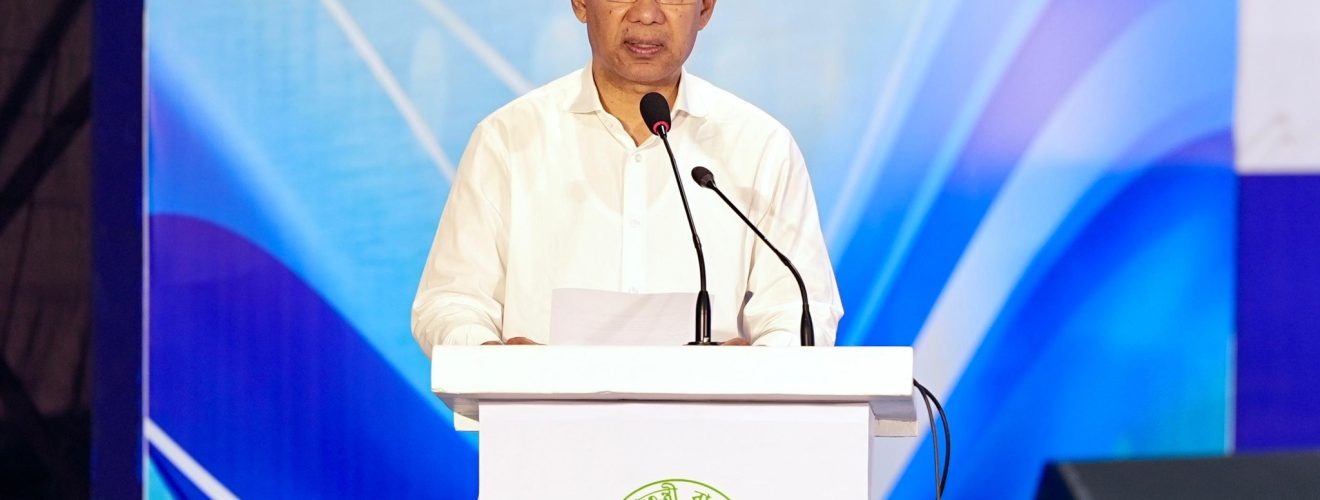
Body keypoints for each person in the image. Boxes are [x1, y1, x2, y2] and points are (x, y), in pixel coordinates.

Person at [411, 0, 842, 351]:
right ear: (581, 3)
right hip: (541, 426)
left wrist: (755, 373)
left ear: (706, 8)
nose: (647, 13)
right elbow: (450, 301)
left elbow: (801, 309)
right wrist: (493, 359)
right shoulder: (508, 140)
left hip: (713, 429)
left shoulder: (760, 146)